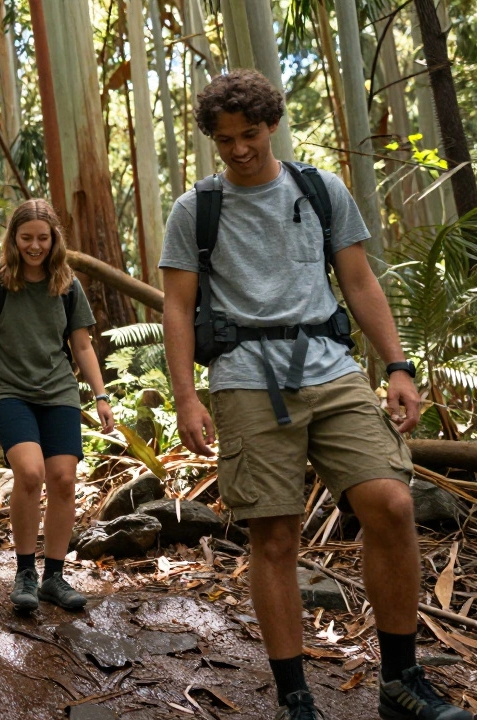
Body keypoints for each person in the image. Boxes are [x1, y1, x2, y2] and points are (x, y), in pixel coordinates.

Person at [162, 70, 464, 720]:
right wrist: (186, 396)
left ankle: (401, 679)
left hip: (331, 369)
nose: (240, 149)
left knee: (391, 504)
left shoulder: (320, 189)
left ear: (272, 124)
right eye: (225, 140)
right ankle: (295, 697)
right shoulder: (195, 210)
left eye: (250, 134)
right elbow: (178, 308)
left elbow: (359, 282)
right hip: (245, 378)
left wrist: (399, 366)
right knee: (274, 537)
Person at [0, 199, 114, 614]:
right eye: (26, 237)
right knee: (30, 473)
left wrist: (101, 396)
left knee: (64, 479)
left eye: (43, 238)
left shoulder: (67, 284)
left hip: (58, 390)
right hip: (7, 388)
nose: (35, 246)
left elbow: (81, 345)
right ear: (13, 238)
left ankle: (54, 576)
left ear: (54, 240)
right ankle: (25, 572)